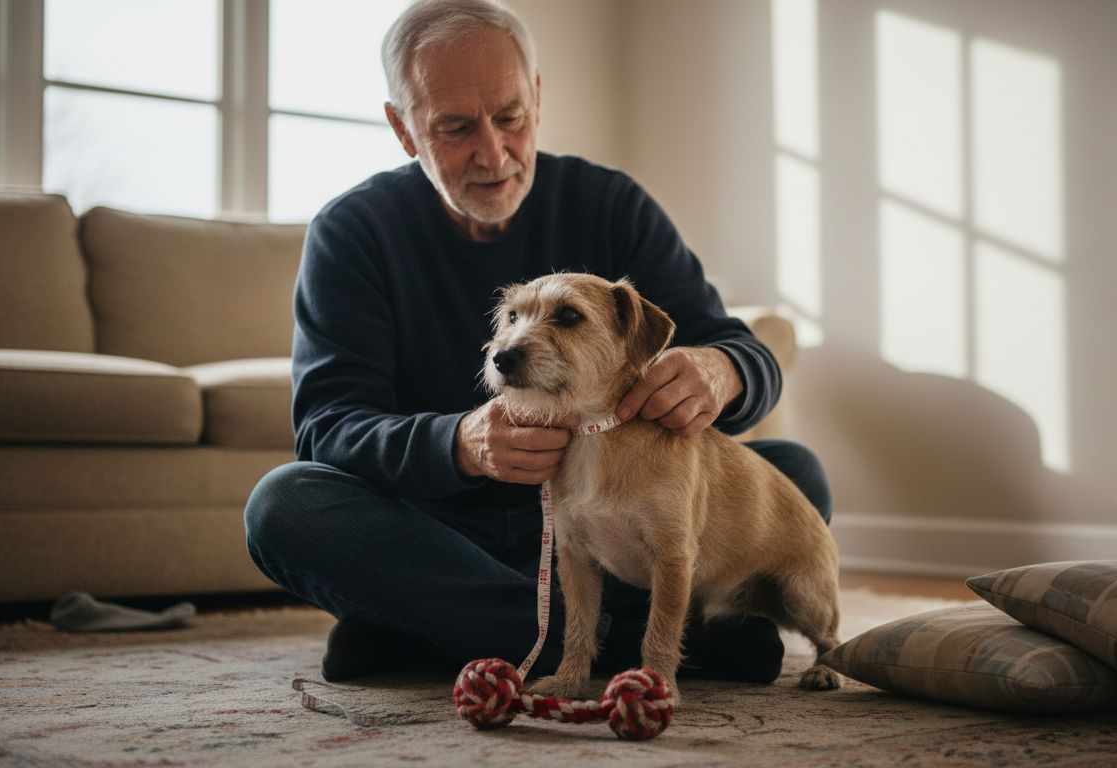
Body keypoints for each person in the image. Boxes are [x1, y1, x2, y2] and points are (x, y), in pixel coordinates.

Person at [243, 0, 831, 684]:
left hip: (618, 521)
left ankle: (456, 634)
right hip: (448, 536)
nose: (492, 154)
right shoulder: (354, 233)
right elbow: (327, 429)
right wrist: (461, 443)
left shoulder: (611, 203)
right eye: (455, 127)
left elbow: (736, 346)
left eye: (510, 117)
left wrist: (723, 368)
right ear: (404, 130)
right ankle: (630, 645)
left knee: (792, 473)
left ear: (538, 98)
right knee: (284, 505)